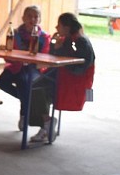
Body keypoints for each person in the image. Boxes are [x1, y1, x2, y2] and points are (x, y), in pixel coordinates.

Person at [28, 12, 96, 143]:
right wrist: (55, 45)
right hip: (60, 75)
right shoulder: (68, 38)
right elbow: (54, 54)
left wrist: (60, 48)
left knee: (36, 89)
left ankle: (46, 123)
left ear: (67, 27)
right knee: (33, 88)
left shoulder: (81, 41)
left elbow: (75, 64)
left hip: (72, 81)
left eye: (59, 25)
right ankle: (45, 123)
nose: (56, 28)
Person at [0, 5, 51, 131]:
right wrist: (7, 53)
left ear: (40, 19)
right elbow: (10, 56)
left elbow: (45, 56)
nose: (33, 19)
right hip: (16, 66)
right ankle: (27, 101)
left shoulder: (44, 37)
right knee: (2, 81)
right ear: (23, 18)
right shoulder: (15, 33)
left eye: (36, 17)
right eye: (29, 16)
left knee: (23, 81)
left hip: (34, 68)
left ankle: (24, 113)